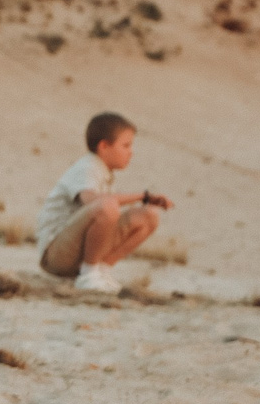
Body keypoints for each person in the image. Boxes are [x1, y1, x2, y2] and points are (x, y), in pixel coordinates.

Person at [34, 111, 172, 295]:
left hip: (76, 253)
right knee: (107, 207)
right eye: (125, 146)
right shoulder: (87, 167)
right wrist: (142, 196)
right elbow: (91, 201)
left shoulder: (103, 172)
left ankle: (101, 271)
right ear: (104, 146)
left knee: (149, 216)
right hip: (56, 256)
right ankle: (88, 275)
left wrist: (145, 200)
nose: (131, 152)